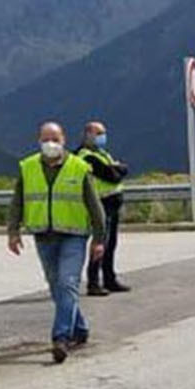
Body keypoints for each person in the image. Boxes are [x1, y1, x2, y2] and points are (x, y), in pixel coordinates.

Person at [7, 122, 106, 364]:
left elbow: (95, 207)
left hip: (74, 235)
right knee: (56, 286)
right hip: (44, 236)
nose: (50, 144)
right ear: (38, 141)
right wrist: (13, 231)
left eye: (55, 139)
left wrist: (99, 238)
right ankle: (79, 329)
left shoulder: (79, 167)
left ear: (63, 141)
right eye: (45, 139)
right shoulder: (28, 167)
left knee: (67, 282)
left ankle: (60, 338)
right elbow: (17, 201)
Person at [78, 120, 130, 295]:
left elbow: (120, 170)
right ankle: (93, 282)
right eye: (98, 133)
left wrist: (118, 169)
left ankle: (109, 278)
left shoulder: (102, 153)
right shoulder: (85, 156)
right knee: (100, 242)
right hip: (100, 204)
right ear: (88, 135)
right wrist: (118, 168)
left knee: (111, 243)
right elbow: (111, 175)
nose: (102, 137)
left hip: (112, 203)